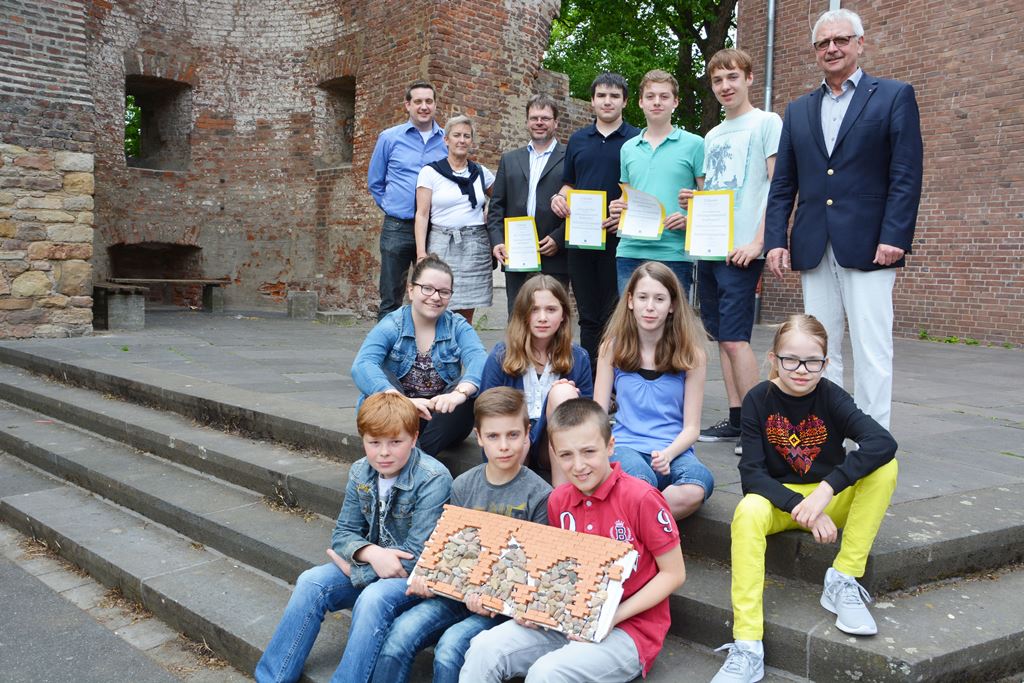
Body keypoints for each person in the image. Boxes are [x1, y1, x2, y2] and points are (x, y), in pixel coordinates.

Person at [710, 314, 897, 683]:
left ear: (825, 363)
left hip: (828, 500)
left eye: (812, 361)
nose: (800, 370)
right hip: (780, 504)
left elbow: (882, 442)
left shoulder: (831, 396)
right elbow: (752, 476)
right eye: (790, 359)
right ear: (773, 359)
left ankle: (843, 579)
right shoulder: (757, 401)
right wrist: (802, 508)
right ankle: (747, 644)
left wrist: (827, 491)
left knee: (886, 468)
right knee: (747, 511)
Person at [763, 8, 923, 430]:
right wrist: (776, 239)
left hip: (872, 245)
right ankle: (828, 437)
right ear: (815, 52)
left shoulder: (892, 96)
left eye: (841, 40)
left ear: (860, 43)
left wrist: (896, 236)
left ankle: (873, 443)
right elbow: (784, 184)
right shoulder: (798, 110)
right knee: (818, 348)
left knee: (872, 348)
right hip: (813, 245)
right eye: (822, 43)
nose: (831, 48)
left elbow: (906, 175)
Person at [459, 398, 686, 683]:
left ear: (610, 446)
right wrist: (534, 606)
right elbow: (557, 572)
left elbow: (674, 574)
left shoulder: (641, 498)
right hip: (568, 617)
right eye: (566, 455)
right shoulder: (558, 501)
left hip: (629, 628)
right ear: (553, 454)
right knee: (484, 648)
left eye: (589, 452)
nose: (578, 465)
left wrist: (610, 617)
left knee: (547, 673)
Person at [254, 393, 453, 683]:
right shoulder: (361, 471)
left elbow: (416, 558)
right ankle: (272, 677)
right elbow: (343, 534)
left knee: (373, 597)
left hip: (409, 583)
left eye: (395, 442)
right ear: (363, 441)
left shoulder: (433, 478)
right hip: (375, 566)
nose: (384, 452)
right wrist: (371, 554)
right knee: (312, 581)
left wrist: (354, 570)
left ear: (414, 437)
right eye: (374, 443)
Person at [372, 387, 551, 683]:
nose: (504, 446)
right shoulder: (463, 485)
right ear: (479, 437)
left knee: (450, 647)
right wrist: (429, 575)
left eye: (513, 435)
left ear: (527, 433)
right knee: (399, 634)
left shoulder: (541, 495)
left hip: (501, 606)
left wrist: (494, 598)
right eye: (493, 436)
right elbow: (450, 547)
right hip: (458, 594)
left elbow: (535, 570)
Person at [679, 49, 783, 455]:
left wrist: (759, 241)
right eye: (718, 80)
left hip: (743, 251)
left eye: (732, 78)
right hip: (710, 250)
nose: (725, 86)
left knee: (737, 339)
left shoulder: (767, 123)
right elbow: (716, 194)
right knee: (722, 337)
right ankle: (738, 420)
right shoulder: (713, 136)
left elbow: (777, 187)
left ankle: (762, 429)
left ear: (749, 78)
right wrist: (695, 202)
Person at [594, 261, 713, 520]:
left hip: (673, 450)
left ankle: (637, 520)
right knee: (637, 481)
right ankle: (655, 527)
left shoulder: (692, 355)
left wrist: (669, 454)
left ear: (672, 305)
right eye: (643, 297)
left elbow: (692, 428)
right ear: (630, 301)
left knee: (699, 482)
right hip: (626, 446)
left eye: (659, 299)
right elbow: (598, 414)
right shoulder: (611, 348)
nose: (650, 306)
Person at [351, 255, 487, 458]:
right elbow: (362, 364)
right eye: (427, 288)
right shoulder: (393, 324)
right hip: (397, 414)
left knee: (468, 395)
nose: (435, 297)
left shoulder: (457, 325)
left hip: (439, 419)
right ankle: (417, 459)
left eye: (444, 291)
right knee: (383, 376)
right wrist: (401, 401)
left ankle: (410, 459)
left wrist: (459, 394)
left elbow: (479, 359)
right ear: (411, 290)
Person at [550, 73, 641, 374]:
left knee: (615, 313)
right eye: (601, 95)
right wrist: (559, 199)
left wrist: (625, 215)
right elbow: (569, 185)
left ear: (625, 101)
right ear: (592, 100)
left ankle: (615, 378)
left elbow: (641, 190)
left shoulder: (636, 140)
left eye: (614, 96)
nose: (607, 101)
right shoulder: (577, 140)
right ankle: (589, 377)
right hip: (582, 238)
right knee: (587, 314)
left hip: (619, 239)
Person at [479, 275, 593, 484]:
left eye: (551, 310)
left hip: (556, 442)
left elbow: (586, 418)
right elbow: (485, 411)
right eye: (534, 309)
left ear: (563, 316)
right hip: (510, 440)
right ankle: (508, 493)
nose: (542, 317)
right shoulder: (501, 356)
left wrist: (572, 402)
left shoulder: (578, 357)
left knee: (564, 392)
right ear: (522, 314)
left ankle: (561, 495)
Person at [609, 70, 704, 297]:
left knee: (672, 327)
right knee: (631, 324)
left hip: (674, 252)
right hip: (630, 250)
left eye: (664, 96)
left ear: (675, 102)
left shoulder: (695, 144)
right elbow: (627, 194)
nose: (657, 102)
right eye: (650, 96)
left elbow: (708, 197)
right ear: (641, 102)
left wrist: (689, 218)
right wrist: (616, 207)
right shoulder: (628, 148)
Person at [368, 81, 448, 320]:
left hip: (434, 228)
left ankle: (427, 350)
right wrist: (394, 207)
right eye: (418, 102)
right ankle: (386, 351)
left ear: (435, 104)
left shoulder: (446, 140)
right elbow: (375, 182)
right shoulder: (389, 138)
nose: (424, 107)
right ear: (408, 105)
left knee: (433, 293)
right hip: (398, 226)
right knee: (391, 294)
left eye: (429, 101)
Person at [488, 94, 571, 312]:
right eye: (534, 118)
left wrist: (559, 239)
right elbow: (497, 205)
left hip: (554, 252)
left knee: (552, 319)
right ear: (527, 122)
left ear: (555, 122)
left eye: (545, 118)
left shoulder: (570, 157)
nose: (539, 123)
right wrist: (497, 241)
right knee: (517, 316)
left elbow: (580, 206)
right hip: (516, 252)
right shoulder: (510, 159)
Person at [414, 115, 495, 324]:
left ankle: (461, 354)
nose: (462, 140)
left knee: (466, 312)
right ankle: (435, 353)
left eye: (466, 136)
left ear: (471, 141)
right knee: (436, 302)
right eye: (456, 135)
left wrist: (490, 208)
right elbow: (422, 214)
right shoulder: (430, 172)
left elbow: (503, 198)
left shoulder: (480, 172)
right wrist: (421, 253)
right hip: (442, 243)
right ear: (446, 140)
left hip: (475, 245)